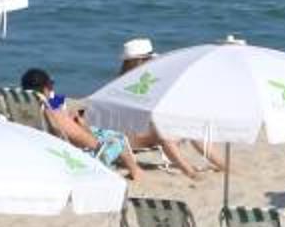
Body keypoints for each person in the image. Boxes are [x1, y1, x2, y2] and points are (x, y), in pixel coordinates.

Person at [20, 65, 152, 180]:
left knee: (104, 133)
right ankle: (136, 172)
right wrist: (83, 126)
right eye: (51, 85)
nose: (52, 88)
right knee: (118, 139)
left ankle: (134, 170)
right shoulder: (52, 113)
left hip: (41, 152)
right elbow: (91, 143)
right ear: (45, 89)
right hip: (71, 160)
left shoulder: (22, 110)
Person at [113, 39, 216, 177]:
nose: (153, 62)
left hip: (144, 131)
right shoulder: (124, 85)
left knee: (191, 127)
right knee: (165, 132)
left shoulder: (144, 80)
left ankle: (223, 165)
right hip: (128, 137)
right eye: (149, 59)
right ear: (139, 61)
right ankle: (190, 172)